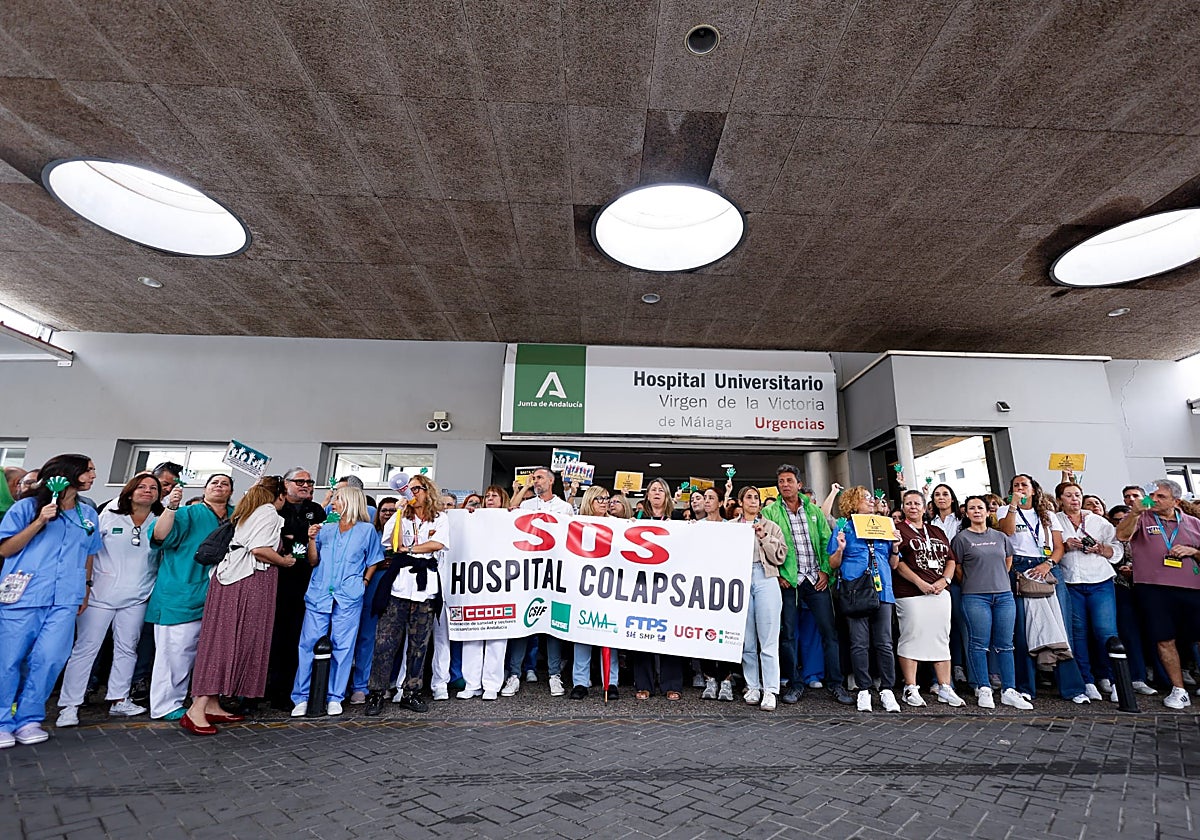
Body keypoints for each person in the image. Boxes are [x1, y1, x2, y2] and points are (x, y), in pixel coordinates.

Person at [0, 455, 101, 748]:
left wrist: (85, 586)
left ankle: (29, 718)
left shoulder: (87, 514)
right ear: (69, 473)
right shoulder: (27, 507)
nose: (93, 475)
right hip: (23, 595)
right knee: (9, 660)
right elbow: (6, 548)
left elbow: (90, 553)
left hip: (66, 598)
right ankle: (3, 719)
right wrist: (41, 520)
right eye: (89, 470)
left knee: (50, 658)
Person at [183, 476, 293, 735]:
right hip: (249, 581)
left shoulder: (247, 511)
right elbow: (259, 550)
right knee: (231, 642)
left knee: (223, 639)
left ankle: (212, 704)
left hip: (231, 578)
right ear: (278, 495)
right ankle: (197, 709)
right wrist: (284, 561)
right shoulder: (268, 513)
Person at [56, 473, 163, 726]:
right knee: (85, 649)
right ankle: (70, 705)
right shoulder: (107, 514)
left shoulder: (158, 521)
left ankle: (118, 699)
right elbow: (88, 551)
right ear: (129, 491)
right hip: (99, 596)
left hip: (137, 596)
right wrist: (86, 585)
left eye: (153, 488)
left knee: (127, 648)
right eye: (141, 487)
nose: (147, 491)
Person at [760, 466, 852, 705]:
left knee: (829, 633)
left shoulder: (813, 510)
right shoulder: (769, 511)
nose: (785, 485)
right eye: (781, 481)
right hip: (789, 582)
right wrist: (778, 574)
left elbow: (825, 542)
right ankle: (794, 683)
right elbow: (767, 545)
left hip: (815, 579)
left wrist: (825, 570)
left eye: (789, 480)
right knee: (788, 635)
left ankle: (835, 683)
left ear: (799, 484)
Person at [996, 474, 1089, 704]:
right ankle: (1027, 687)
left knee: (1060, 627)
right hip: (1018, 567)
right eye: (1015, 485)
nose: (1020, 488)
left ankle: (1072, 688)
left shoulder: (1047, 515)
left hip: (1047, 565)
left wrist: (1048, 564)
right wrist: (1013, 505)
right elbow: (1006, 532)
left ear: (1034, 490)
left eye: (1024, 485)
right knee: (1023, 629)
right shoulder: (1005, 511)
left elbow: (1059, 547)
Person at [144, 474, 231, 720]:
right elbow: (159, 536)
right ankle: (165, 706)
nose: (219, 486)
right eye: (214, 482)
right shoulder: (186, 514)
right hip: (181, 593)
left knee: (208, 656)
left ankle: (204, 704)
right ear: (205, 489)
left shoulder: (234, 515)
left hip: (216, 597)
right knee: (175, 655)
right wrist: (171, 506)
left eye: (225, 483)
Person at [291, 486, 383, 717]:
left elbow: (374, 559)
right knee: (308, 645)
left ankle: (335, 696)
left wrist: (364, 581)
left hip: (349, 595)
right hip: (319, 593)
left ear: (350, 502)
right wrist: (312, 539)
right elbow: (313, 561)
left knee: (343, 647)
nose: (332, 504)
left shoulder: (367, 530)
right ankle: (301, 697)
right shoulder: (326, 529)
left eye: (337, 500)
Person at [365, 474, 449, 715]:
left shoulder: (440, 518)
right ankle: (376, 693)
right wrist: (399, 513)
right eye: (407, 490)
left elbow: (438, 544)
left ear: (426, 491)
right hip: (399, 587)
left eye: (415, 489)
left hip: (425, 588)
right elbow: (390, 543)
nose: (410, 494)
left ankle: (411, 692)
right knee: (385, 642)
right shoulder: (401, 516)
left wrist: (411, 548)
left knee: (419, 644)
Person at [1115, 478, 1200, 710]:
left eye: (1160, 496)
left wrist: (1193, 551)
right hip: (1152, 588)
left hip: (1192, 588)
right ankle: (1179, 690)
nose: (1153, 499)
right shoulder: (1141, 518)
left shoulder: (1193, 522)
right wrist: (1134, 512)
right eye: (1152, 495)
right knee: (1164, 638)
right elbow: (1122, 536)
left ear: (1176, 500)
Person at [951, 496, 1032, 710]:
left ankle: (1009, 690)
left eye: (980, 507)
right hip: (975, 596)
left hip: (1004, 596)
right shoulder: (961, 539)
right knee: (978, 643)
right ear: (966, 513)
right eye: (971, 508)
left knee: (1005, 644)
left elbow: (1007, 561)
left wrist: (996, 580)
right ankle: (983, 688)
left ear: (988, 512)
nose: (976, 511)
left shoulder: (1000, 536)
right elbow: (957, 568)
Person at [827, 486, 900, 713]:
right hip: (856, 591)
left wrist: (895, 547)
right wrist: (840, 549)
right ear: (852, 503)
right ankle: (864, 689)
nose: (871, 501)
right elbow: (833, 564)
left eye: (871, 498)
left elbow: (893, 564)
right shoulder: (844, 527)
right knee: (859, 643)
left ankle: (887, 690)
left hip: (883, 590)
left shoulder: (884, 525)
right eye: (865, 498)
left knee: (885, 643)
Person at [502, 468, 572, 698]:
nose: (536, 480)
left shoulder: (564, 507)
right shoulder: (527, 504)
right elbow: (510, 511)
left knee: (552, 627)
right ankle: (514, 675)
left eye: (540, 477)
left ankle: (554, 675)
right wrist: (524, 488)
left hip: (553, 573)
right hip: (528, 574)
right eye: (533, 477)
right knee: (523, 624)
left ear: (551, 481)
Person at [893, 490, 964, 707]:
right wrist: (919, 583)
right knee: (912, 636)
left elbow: (951, 559)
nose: (912, 506)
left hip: (940, 592)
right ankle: (910, 687)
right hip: (911, 593)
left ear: (925, 508)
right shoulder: (898, 530)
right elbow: (898, 563)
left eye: (917, 503)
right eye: (907, 503)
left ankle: (945, 687)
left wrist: (945, 581)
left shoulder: (936, 530)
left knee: (941, 638)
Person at [1055, 482, 1123, 701]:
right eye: (1068, 495)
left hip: (1100, 581)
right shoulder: (1055, 520)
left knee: (1106, 630)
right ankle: (1087, 680)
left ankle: (1115, 680)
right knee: (1078, 633)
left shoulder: (1098, 521)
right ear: (1060, 500)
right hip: (1071, 582)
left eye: (1077, 495)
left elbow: (1117, 551)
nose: (1074, 499)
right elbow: (1049, 546)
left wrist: (1100, 548)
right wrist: (1066, 545)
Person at [266, 468, 327, 710]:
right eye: (299, 481)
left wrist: (295, 534)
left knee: (300, 637)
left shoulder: (317, 511)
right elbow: (280, 535)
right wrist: (301, 534)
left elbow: (321, 538)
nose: (305, 485)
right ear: (285, 484)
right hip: (278, 578)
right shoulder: (276, 508)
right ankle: (272, 691)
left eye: (309, 482)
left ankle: (296, 691)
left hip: (309, 579)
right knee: (277, 636)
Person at [632, 477, 684, 701]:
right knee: (641, 631)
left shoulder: (680, 518)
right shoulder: (636, 519)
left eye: (661, 490)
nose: (656, 493)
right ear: (648, 495)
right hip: (642, 584)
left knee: (669, 632)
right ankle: (644, 684)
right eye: (653, 489)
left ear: (667, 495)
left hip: (670, 584)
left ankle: (671, 684)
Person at [565, 486, 620, 700]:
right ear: (589, 500)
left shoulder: (616, 524)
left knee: (611, 635)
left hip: (609, 586)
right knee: (582, 635)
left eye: (607, 498)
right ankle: (580, 682)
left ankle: (611, 682)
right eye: (600, 498)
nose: (605, 502)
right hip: (583, 588)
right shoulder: (576, 523)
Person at [347, 496, 401, 705]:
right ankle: (360, 685)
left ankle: (387, 682)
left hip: (396, 587)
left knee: (392, 638)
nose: (388, 513)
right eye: (384, 510)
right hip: (373, 586)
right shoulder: (370, 532)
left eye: (392, 510)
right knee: (367, 637)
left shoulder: (404, 532)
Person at [736, 486, 786, 710]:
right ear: (740, 502)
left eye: (756, 498)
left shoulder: (771, 526)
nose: (754, 501)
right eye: (749, 497)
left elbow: (781, 556)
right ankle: (753, 685)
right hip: (740, 579)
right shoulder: (730, 528)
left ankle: (771, 689)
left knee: (768, 638)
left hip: (766, 577)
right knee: (747, 638)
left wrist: (764, 537)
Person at [1106, 504, 1156, 695]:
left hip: (1149, 587)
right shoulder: (1114, 536)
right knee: (1129, 633)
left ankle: (1160, 676)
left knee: (1156, 634)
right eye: (1117, 520)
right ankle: (1135, 677)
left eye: (1124, 518)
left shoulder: (1148, 534)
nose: (1122, 522)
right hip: (1121, 587)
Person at [696, 486, 737, 701]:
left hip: (726, 588)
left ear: (721, 502)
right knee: (705, 634)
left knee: (727, 634)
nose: (707, 501)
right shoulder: (696, 526)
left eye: (711, 498)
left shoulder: (731, 527)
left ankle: (727, 679)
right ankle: (710, 679)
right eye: (705, 498)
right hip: (703, 588)